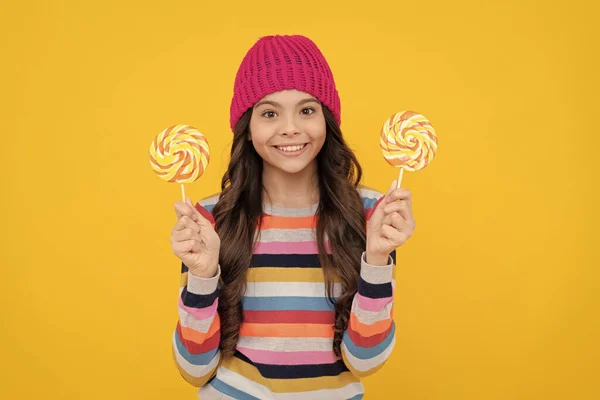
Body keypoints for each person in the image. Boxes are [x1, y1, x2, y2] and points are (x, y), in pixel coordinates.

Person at [169, 34, 416, 399]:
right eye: (269, 113)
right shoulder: (209, 219)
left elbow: (365, 361)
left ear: (327, 119)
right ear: (247, 129)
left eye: (306, 110)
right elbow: (193, 369)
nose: (290, 128)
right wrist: (203, 277)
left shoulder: (370, 215)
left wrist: (377, 260)